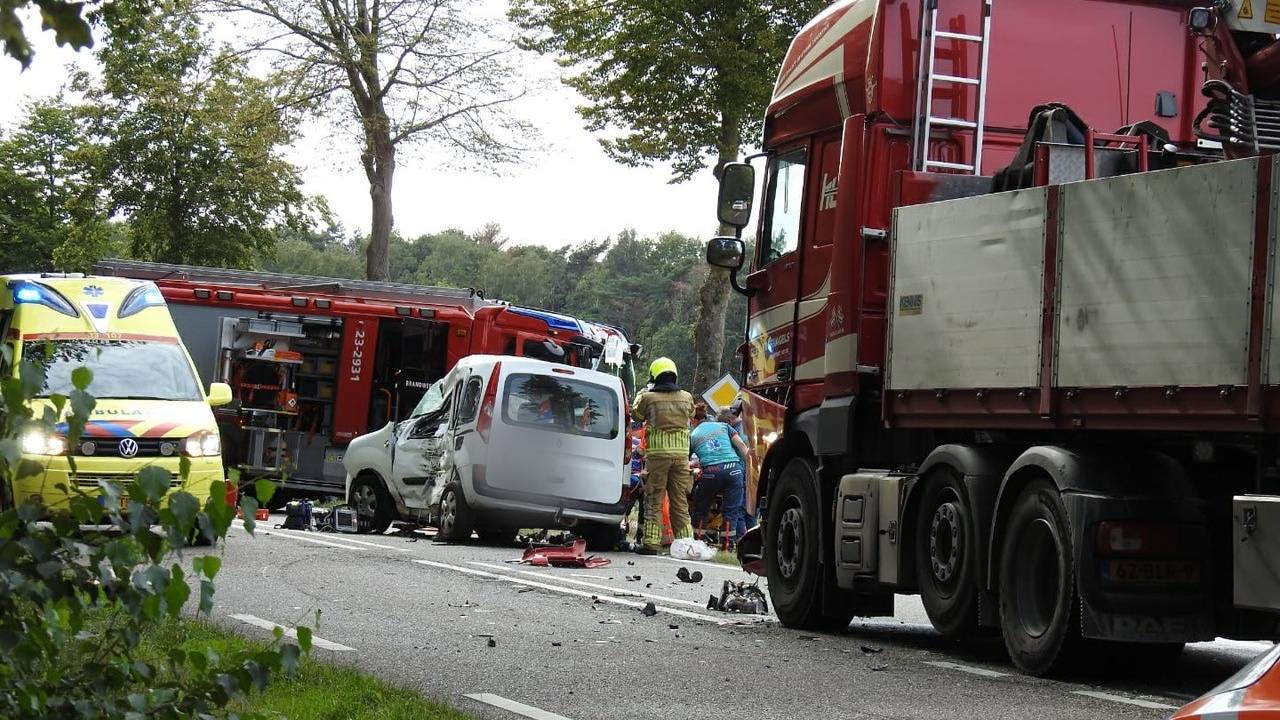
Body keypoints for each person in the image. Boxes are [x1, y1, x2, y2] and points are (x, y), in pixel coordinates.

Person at [631, 357, 695, 555]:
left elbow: (636, 415)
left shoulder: (649, 398)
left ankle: (651, 544)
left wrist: (642, 395)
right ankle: (687, 545)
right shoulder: (686, 397)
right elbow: (691, 414)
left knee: (654, 499)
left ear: (654, 376)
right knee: (680, 502)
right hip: (681, 456)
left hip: (658, 457)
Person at [690, 405, 752, 545]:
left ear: (693, 420)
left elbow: (686, 461)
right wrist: (751, 468)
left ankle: (698, 541)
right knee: (731, 511)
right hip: (734, 471)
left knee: (701, 508)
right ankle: (727, 545)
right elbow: (742, 447)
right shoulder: (725, 427)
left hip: (711, 472)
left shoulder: (692, 435)